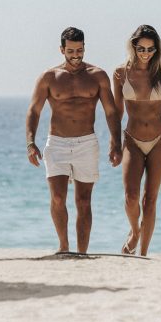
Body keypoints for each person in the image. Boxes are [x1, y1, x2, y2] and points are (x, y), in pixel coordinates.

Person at [26, 27, 122, 254]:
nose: (76, 55)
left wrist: (116, 143)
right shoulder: (49, 77)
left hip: (86, 143)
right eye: (71, 51)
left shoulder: (97, 75)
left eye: (79, 50)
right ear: (62, 49)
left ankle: (82, 252)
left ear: (84, 48)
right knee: (58, 197)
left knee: (84, 201)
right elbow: (34, 110)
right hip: (57, 143)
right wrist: (31, 142)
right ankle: (63, 247)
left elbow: (111, 112)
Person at [113, 24, 161, 256]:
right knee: (131, 196)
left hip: (159, 140)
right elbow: (117, 112)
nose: (145, 53)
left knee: (150, 199)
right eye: (141, 48)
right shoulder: (120, 73)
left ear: (157, 50)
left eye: (150, 49)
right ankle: (135, 232)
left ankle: (143, 253)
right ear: (133, 46)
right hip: (132, 140)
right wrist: (114, 143)